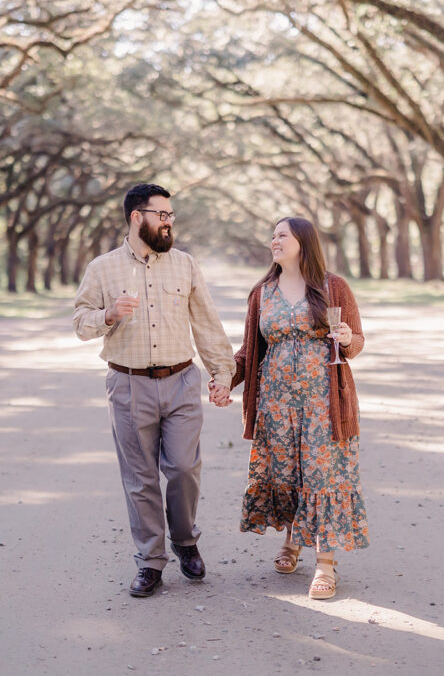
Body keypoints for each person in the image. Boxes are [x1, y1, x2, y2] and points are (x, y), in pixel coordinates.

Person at [73, 183, 234, 598]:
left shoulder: (184, 265)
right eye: (161, 215)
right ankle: (150, 561)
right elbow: (80, 321)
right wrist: (108, 314)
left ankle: (185, 540)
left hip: (181, 381)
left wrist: (221, 374)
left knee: (182, 468)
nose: (168, 222)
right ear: (135, 217)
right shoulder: (103, 268)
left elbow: (207, 324)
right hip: (128, 384)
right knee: (140, 479)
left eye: (170, 216)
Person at [228, 216, 368, 600]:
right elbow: (248, 351)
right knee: (289, 472)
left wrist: (347, 339)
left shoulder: (333, 286)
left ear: (303, 241)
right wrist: (225, 379)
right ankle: (292, 543)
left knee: (323, 476)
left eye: (282, 235)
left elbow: (357, 339)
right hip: (276, 403)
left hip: (324, 400)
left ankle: (325, 564)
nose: (274, 240)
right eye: (271, 235)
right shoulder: (262, 292)